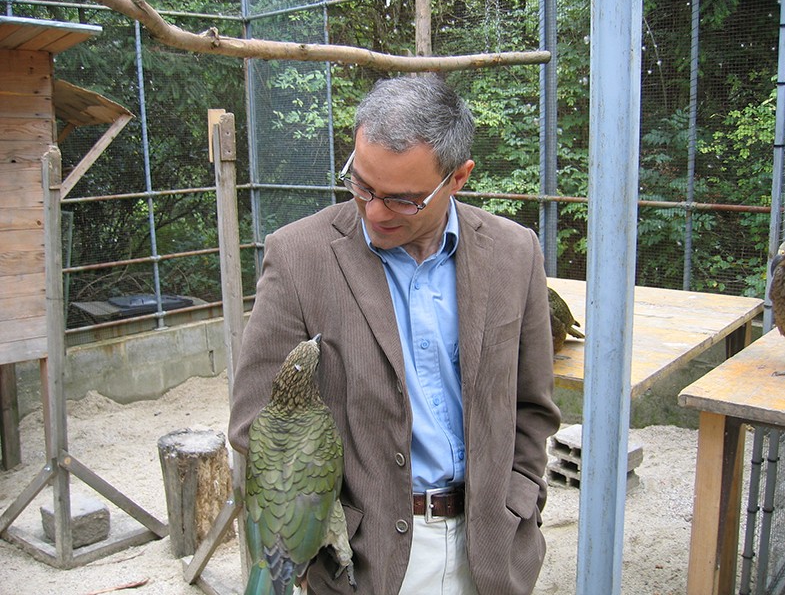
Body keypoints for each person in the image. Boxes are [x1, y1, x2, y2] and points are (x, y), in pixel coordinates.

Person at [228, 74, 561, 595]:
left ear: (458, 178)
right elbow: (256, 423)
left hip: (493, 550)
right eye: (362, 185)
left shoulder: (516, 252)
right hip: (366, 561)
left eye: (402, 200)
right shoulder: (298, 257)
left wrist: (520, 500)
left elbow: (532, 406)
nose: (375, 211)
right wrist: (324, 537)